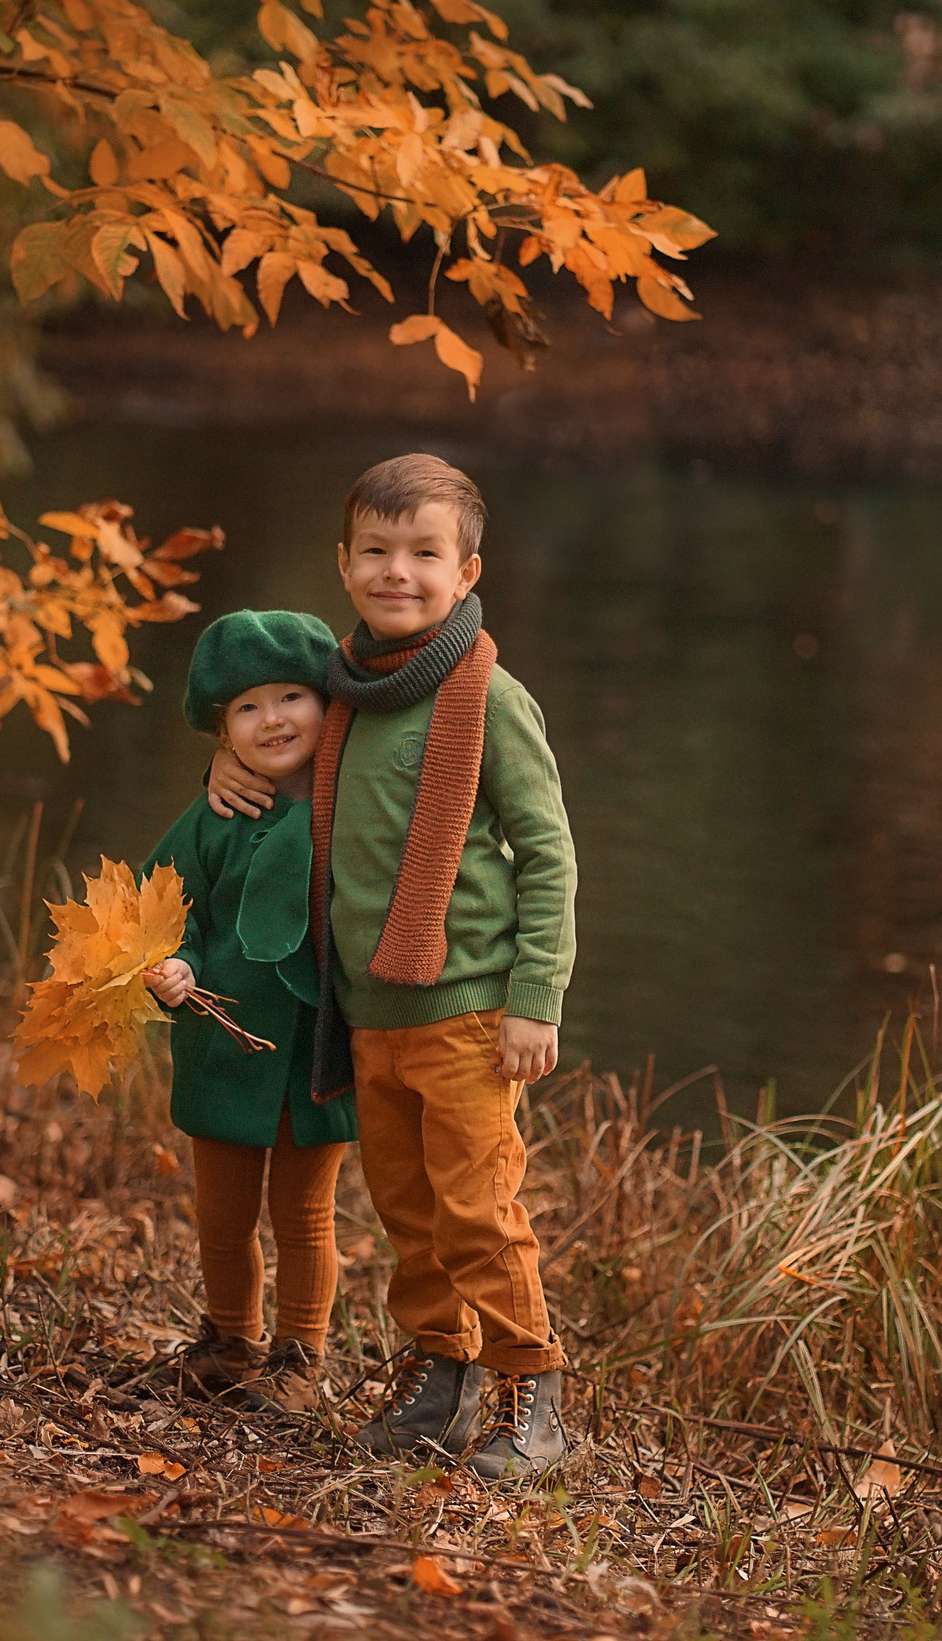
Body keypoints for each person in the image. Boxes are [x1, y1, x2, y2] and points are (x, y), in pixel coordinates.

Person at [208, 454, 577, 1479]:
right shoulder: (344, 690)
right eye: (376, 551)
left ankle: (531, 1398)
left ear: (466, 571)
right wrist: (224, 758)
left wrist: (533, 998)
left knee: (477, 1207)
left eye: (423, 553)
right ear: (343, 563)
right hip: (371, 1010)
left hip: (465, 1010)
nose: (396, 571)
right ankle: (443, 1379)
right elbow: (268, 733)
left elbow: (548, 852)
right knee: (410, 1211)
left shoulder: (487, 698)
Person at [143, 609, 357, 1412]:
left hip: (316, 1047)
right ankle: (230, 1338)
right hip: (221, 1045)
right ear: (220, 730)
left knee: (305, 1213)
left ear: (328, 703)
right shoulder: (216, 816)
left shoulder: (351, 804)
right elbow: (169, 906)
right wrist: (176, 964)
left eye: (291, 696)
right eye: (246, 707)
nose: (273, 719)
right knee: (223, 1214)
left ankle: (301, 1353)